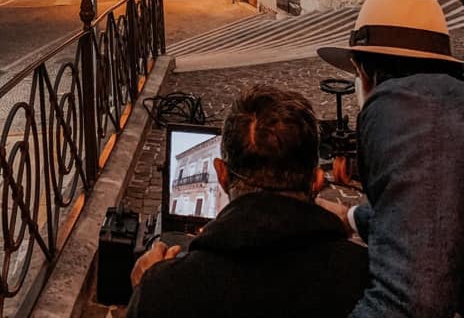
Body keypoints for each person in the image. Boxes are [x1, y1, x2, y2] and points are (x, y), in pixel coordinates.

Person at [126, 86, 369, 318]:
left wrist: (147, 291)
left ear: (221, 174)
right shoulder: (367, 279)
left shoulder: (164, 293)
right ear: (316, 180)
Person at [318, 0, 464, 318]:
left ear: (364, 73)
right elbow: (436, 216)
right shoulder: (451, 111)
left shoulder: (402, 111)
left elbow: (412, 302)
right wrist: (350, 217)